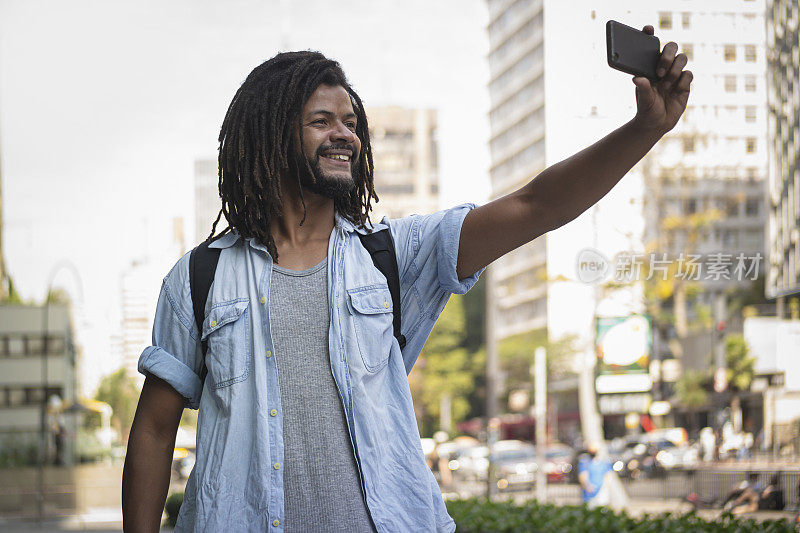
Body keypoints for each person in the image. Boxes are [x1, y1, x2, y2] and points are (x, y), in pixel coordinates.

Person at [122, 28, 691, 532]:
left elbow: (536, 204)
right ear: (269, 137)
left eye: (350, 122)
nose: (344, 134)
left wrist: (645, 129)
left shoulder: (395, 255)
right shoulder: (200, 277)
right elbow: (152, 430)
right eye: (321, 121)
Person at [578, 442, 613, 508]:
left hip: (601, 493)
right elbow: (583, 475)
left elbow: (608, 475)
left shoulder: (604, 462)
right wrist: (587, 486)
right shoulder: (585, 462)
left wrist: (605, 487)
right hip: (589, 494)